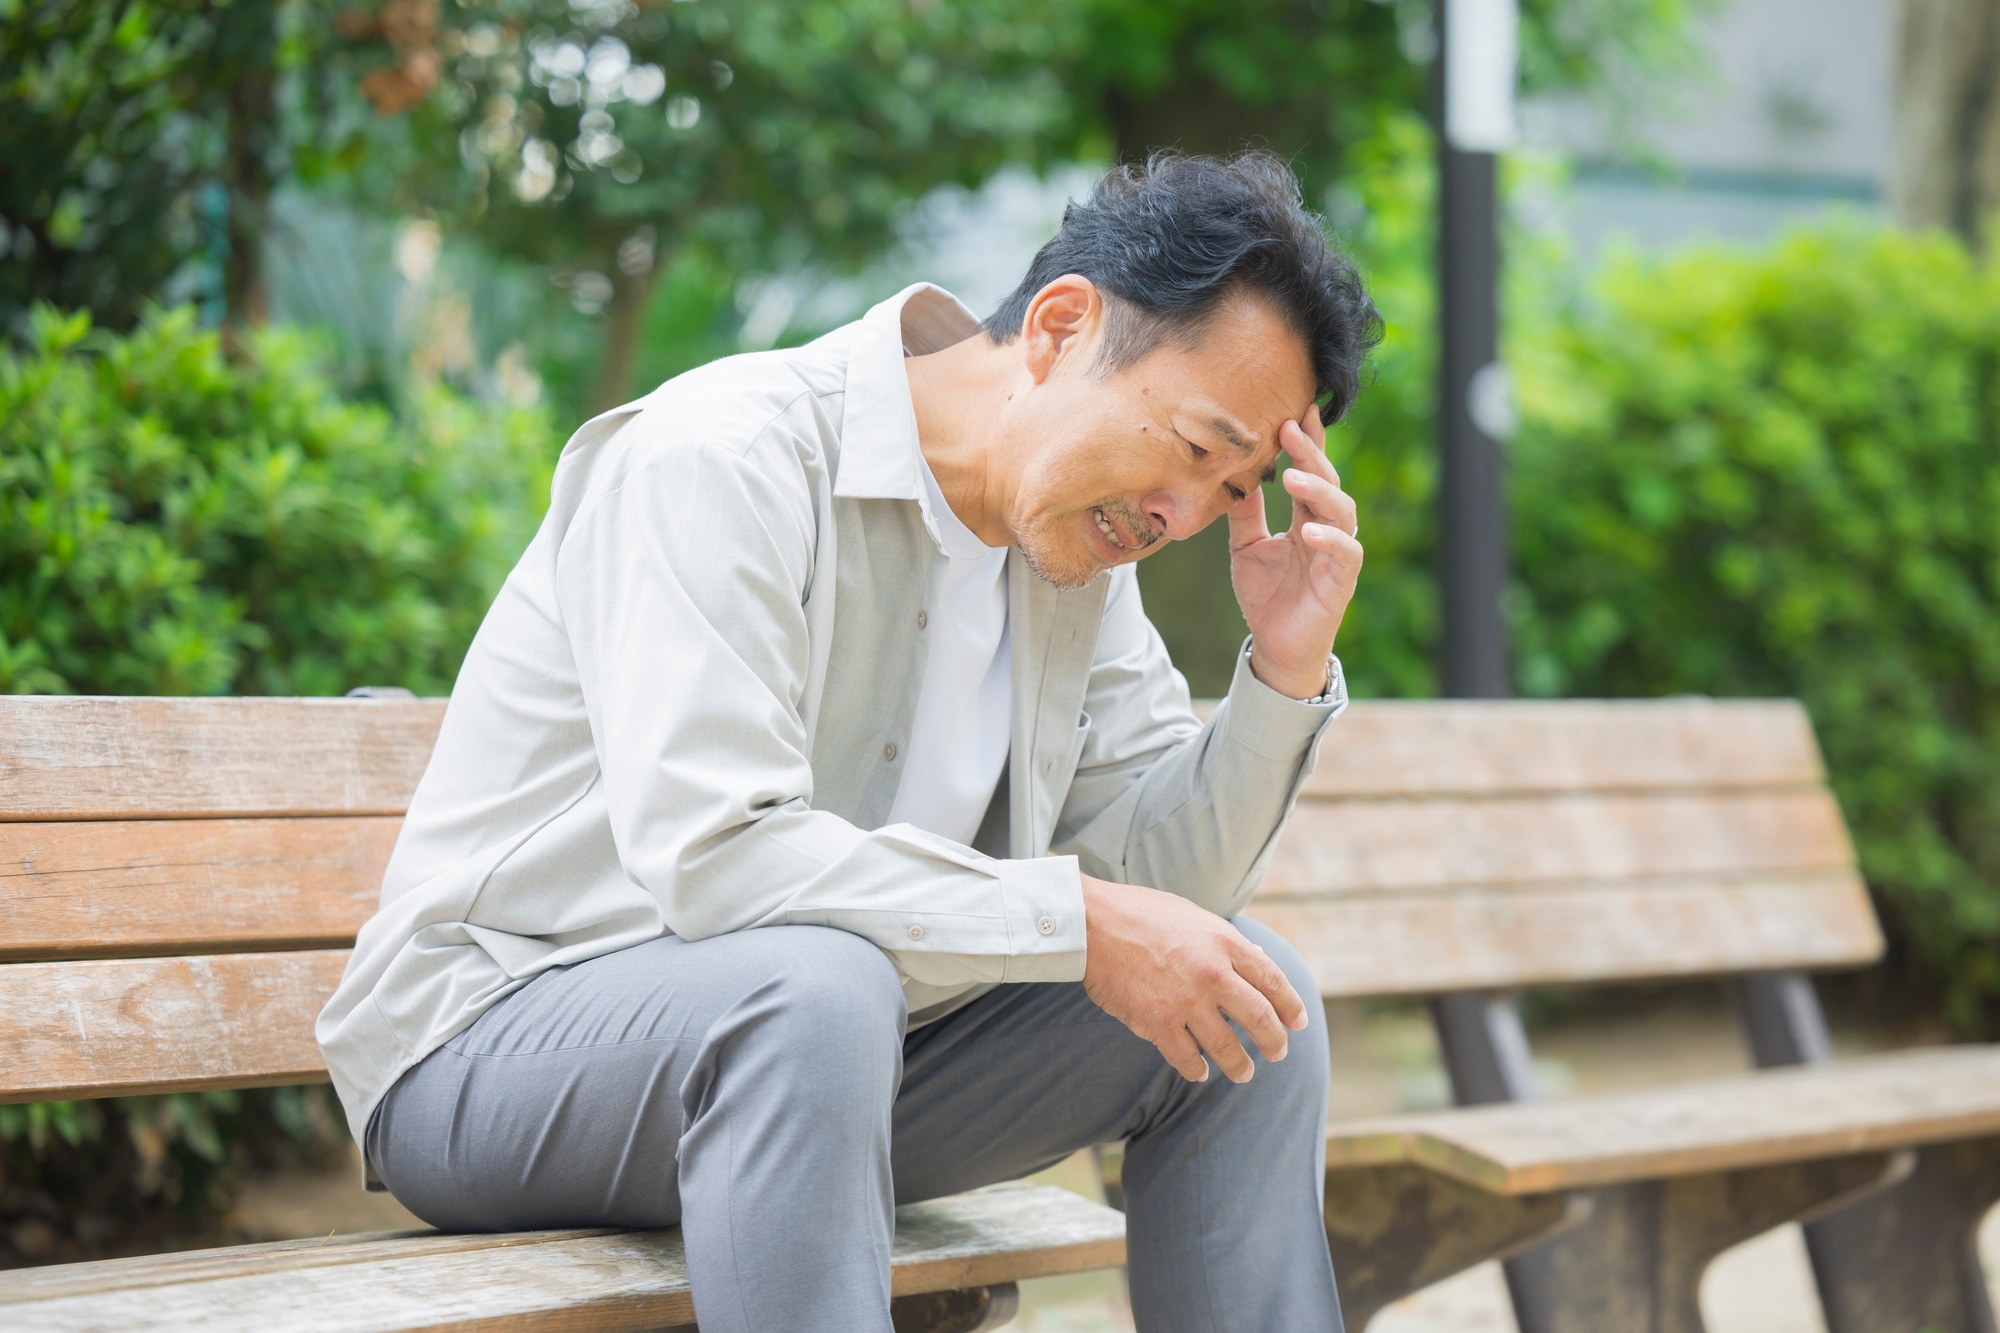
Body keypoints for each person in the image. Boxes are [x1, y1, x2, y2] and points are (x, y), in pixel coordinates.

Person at [317, 150, 1380, 1333]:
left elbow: (1157, 901)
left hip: (832, 1059)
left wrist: (1281, 672)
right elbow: (718, 858)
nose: (1180, 518)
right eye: (1194, 448)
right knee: (816, 987)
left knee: (1245, 1007)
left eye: (1232, 486)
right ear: (1060, 326)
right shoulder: (725, 452)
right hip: (493, 1049)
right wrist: (1073, 922)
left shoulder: (1071, 557)